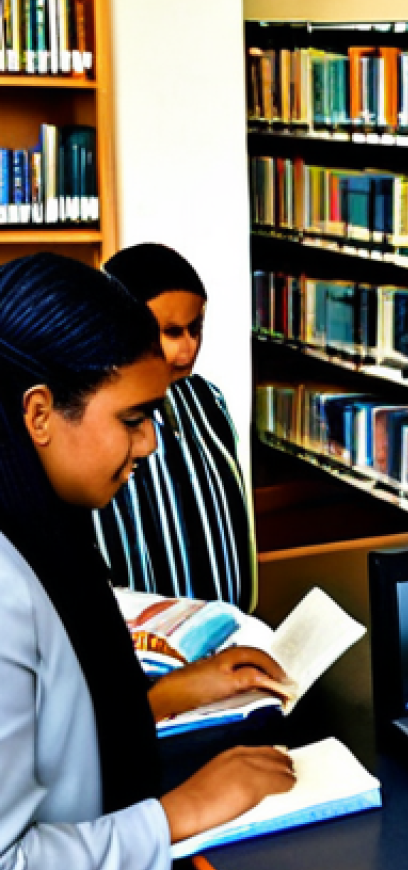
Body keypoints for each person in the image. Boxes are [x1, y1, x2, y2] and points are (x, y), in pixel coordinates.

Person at [0, 252, 295, 870]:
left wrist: (168, 694)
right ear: (40, 413)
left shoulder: (48, 524)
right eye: (133, 420)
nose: (151, 445)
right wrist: (175, 815)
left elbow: (55, 721)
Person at [94, 243, 256, 610]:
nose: (188, 348)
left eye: (195, 328)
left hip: (225, 626)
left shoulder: (207, 401)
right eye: (170, 332)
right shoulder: (90, 417)